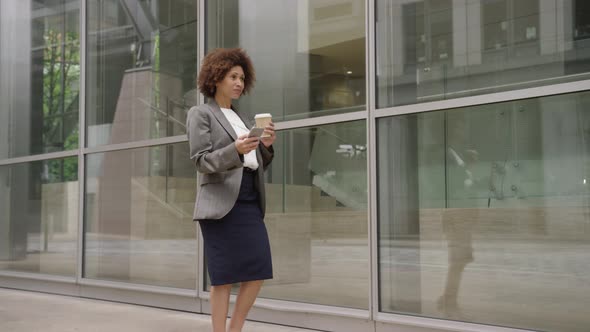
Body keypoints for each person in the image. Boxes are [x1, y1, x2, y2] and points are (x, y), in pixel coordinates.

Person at [186, 48, 276, 332]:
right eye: (232, 76)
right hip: (219, 204)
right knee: (223, 277)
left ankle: (234, 328)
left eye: (242, 77)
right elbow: (201, 161)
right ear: (216, 78)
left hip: (249, 198)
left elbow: (254, 161)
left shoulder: (242, 117)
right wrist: (234, 149)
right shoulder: (200, 113)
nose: (238, 82)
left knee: (259, 269)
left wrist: (266, 147)